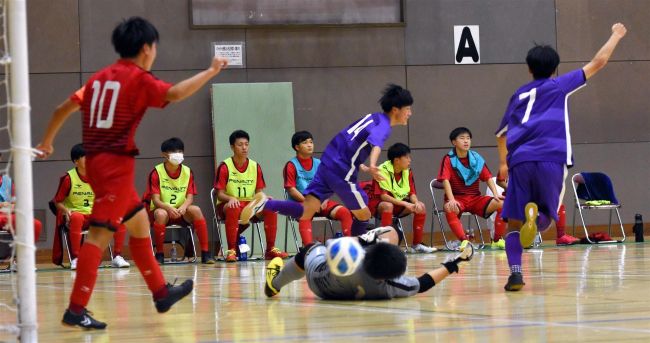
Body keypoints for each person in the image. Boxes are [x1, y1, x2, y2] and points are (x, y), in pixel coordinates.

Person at [36, 17, 228, 329]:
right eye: (155, 48)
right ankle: (76, 308)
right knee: (98, 236)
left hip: (99, 163)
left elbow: (61, 109)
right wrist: (211, 71)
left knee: (139, 223)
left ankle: (160, 292)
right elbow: (176, 94)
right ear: (146, 49)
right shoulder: (138, 79)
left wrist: (47, 142)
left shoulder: (98, 79)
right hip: (114, 166)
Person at [495, 23, 627, 291]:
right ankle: (538, 219)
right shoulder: (558, 86)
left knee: (513, 224)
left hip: (519, 160)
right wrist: (616, 34)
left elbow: (501, 135)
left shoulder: (518, 94)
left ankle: (516, 275)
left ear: (529, 68)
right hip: (551, 158)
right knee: (547, 214)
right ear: (554, 69)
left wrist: (502, 163)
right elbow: (598, 62)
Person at [241, 84, 414, 237]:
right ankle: (355, 255)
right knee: (364, 215)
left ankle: (266, 203)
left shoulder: (373, 117)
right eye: (408, 109)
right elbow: (375, 143)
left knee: (305, 212)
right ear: (395, 109)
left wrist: (362, 165)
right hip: (342, 170)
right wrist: (373, 165)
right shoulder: (384, 126)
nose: (410, 113)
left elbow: (353, 141)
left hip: (328, 162)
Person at [264, 226, 473, 300]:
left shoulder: (353, 255)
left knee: (310, 248)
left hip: (317, 279)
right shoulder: (391, 287)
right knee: (393, 232)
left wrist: (363, 239)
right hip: (331, 293)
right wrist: (455, 263)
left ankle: (275, 283)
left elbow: (330, 246)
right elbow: (424, 283)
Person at [214, 130, 289, 262]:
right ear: (232, 147)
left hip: (249, 205)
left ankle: (270, 249)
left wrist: (264, 198)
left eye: (246, 144)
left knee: (271, 206)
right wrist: (231, 198)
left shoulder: (255, 166)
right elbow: (219, 193)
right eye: (240, 145)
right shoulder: (225, 166)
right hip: (228, 205)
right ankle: (232, 250)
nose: (244, 148)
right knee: (234, 206)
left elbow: (258, 192)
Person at [52, 143, 130, 269]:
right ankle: (76, 259)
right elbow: (57, 201)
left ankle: (117, 256)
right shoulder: (68, 178)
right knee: (76, 217)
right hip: (77, 216)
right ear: (76, 161)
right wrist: (66, 211)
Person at [145, 137, 214, 264]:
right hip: (164, 211)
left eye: (180, 151)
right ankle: (159, 254)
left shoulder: (188, 172)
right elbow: (155, 199)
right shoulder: (156, 172)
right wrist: (168, 208)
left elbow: (190, 197)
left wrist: (183, 207)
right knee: (160, 214)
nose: (178, 155)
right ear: (165, 155)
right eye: (174, 152)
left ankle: (205, 253)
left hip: (182, 211)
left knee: (196, 210)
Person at [437, 127, 504, 250]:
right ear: (454, 142)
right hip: (458, 199)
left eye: (468, 138)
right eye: (462, 138)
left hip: (475, 199)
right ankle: (464, 241)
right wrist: (451, 200)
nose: (466, 141)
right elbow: (445, 180)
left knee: (502, 204)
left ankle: (497, 239)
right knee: (449, 207)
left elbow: (488, 177)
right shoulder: (448, 159)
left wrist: (495, 194)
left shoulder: (476, 158)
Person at [283, 131, 353, 245]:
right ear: (297, 147)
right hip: (300, 202)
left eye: (311, 142)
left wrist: (323, 200)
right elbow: (291, 189)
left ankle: (350, 245)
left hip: (320, 202)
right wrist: (310, 202)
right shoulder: (291, 165)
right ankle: (308, 248)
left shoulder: (319, 163)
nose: (310, 145)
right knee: (306, 214)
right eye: (305, 143)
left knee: (344, 212)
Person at [368, 143, 435, 253]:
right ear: (397, 160)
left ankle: (417, 244)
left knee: (421, 207)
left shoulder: (407, 171)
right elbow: (383, 196)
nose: (410, 160)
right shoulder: (381, 171)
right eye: (407, 157)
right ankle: (387, 245)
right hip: (379, 205)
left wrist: (416, 202)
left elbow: (412, 193)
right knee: (388, 206)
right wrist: (405, 204)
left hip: (398, 204)